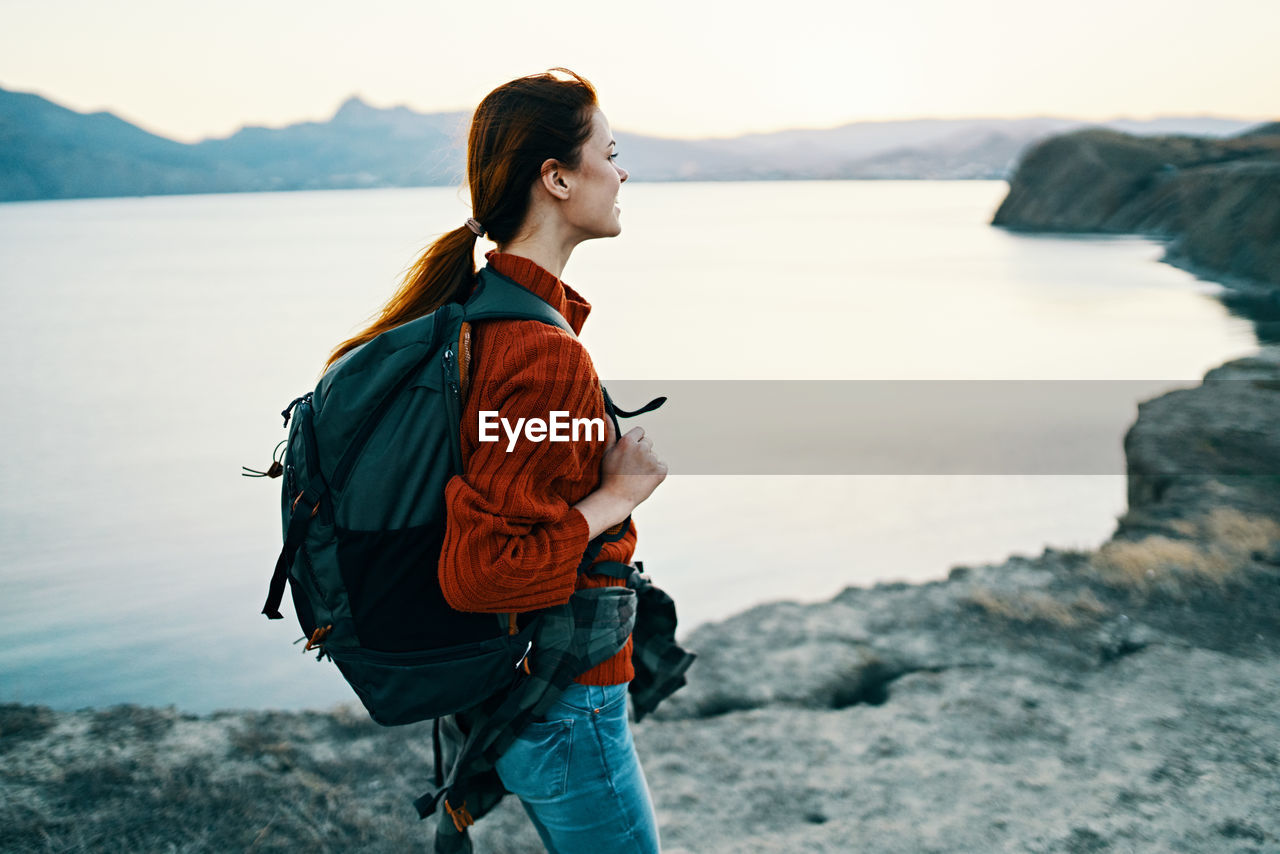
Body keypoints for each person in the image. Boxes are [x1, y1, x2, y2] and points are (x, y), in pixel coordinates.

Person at [326, 68, 668, 854]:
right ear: (555, 177)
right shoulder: (539, 352)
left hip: (517, 688)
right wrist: (618, 497)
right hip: (562, 699)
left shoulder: (480, 315)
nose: (621, 173)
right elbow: (486, 571)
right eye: (608, 153)